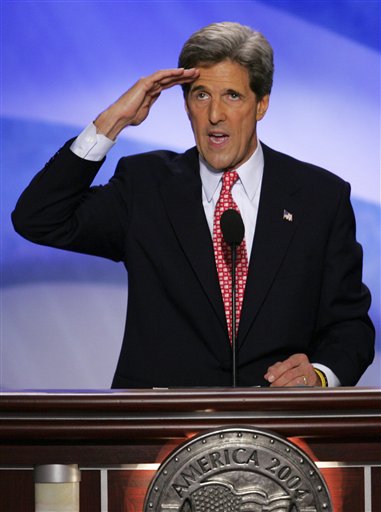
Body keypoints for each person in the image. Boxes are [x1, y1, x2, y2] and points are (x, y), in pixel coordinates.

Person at [12, 22, 374, 389]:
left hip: (277, 430)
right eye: (201, 96)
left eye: (232, 96)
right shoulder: (146, 186)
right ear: (186, 105)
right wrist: (113, 121)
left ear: (261, 103)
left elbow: (351, 326)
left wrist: (319, 375)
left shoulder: (319, 197)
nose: (214, 114)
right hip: (161, 432)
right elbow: (38, 218)